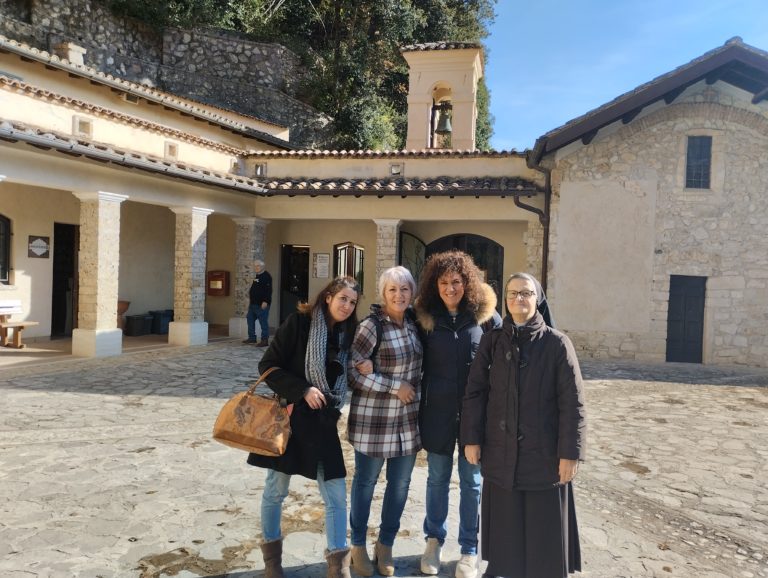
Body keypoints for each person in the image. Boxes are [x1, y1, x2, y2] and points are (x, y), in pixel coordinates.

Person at [461, 272, 586, 578]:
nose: (519, 298)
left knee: (543, 540)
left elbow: (573, 403)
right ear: (505, 300)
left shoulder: (557, 344)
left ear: (537, 299)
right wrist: (471, 439)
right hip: (500, 453)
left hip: (544, 457)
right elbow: (475, 393)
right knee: (506, 533)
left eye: (526, 293)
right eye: (513, 293)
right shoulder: (492, 341)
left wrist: (570, 453)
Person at [247, 276, 361, 578]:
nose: (347, 306)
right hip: (291, 421)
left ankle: (338, 568)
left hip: (323, 424)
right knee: (276, 490)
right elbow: (268, 366)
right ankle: (272, 562)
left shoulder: (346, 335)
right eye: (343, 299)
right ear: (328, 297)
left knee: (336, 495)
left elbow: (345, 375)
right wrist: (303, 390)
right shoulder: (298, 323)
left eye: (352, 302)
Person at [413, 251, 501, 578]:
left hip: (474, 417)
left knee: (471, 483)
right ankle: (433, 541)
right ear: (434, 285)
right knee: (437, 479)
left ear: (467, 283)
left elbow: (508, 356)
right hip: (436, 413)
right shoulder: (424, 319)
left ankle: (469, 549)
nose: (450, 288)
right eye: (443, 282)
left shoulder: (485, 318)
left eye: (456, 282)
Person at [347, 266, 423, 577]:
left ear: (412, 292)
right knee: (365, 484)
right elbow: (353, 373)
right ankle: (357, 545)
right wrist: (394, 386)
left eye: (404, 289)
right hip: (374, 422)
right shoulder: (371, 326)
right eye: (392, 289)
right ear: (383, 293)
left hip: (407, 423)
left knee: (400, 485)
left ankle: (386, 544)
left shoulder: (415, 324)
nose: (399, 295)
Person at [244, 259, 272, 346]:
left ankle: (264, 340)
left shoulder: (266, 276)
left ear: (263, 266)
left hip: (261, 304)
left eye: (258, 266)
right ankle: (252, 338)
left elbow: (268, 290)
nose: (256, 267)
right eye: (255, 266)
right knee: (250, 319)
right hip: (253, 304)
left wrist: (265, 301)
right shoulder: (257, 276)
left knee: (263, 322)